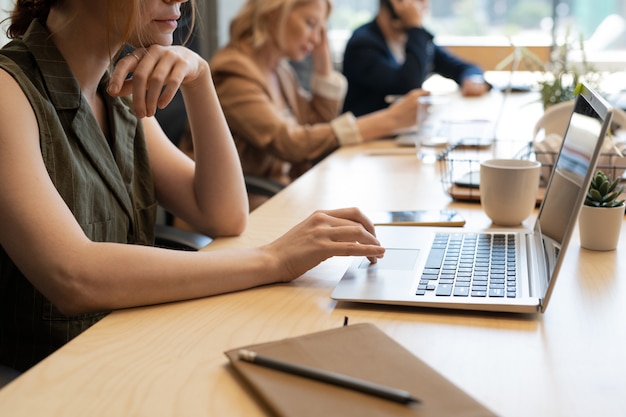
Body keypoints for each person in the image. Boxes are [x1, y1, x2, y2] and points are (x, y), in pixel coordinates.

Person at [0, 0, 386, 372]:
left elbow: (223, 215)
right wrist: (273, 260)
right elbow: (73, 276)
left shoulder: (115, 93)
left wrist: (200, 80)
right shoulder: (9, 92)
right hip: (49, 378)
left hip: (128, 348)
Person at [209, 0, 428, 210]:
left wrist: (323, 68)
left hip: (277, 196)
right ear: (275, 13)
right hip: (241, 208)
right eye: (311, 24)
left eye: (322, 29)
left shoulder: (279, 70)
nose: (317, 38)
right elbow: (291, 143)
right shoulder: (234, 73)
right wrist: (388, 120)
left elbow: (313, 130)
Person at [342, 0, 490, 117]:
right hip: (366, 142)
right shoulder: (363, 45)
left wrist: (472, 79)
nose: (423, 7)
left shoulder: (414, 41)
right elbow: (407, 88)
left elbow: (464, 67)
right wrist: (415, 28)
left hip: (402, 135)